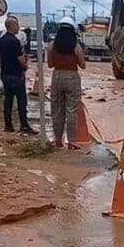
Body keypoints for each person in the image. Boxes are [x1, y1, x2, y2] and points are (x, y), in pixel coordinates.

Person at [48, 17, 87, 149]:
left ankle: (58, 140)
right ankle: (71, 141)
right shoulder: (76, 46)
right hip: (72, 77)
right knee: (72, 111)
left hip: (57, 76)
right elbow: (83, 65)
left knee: (57, 110)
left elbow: (49, 64)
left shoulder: (52, 46)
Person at [0, 16, 36, 134]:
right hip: (16, 74)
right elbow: (20, 59)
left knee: (8, 99)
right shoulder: (15, 42)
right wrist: (25, 66)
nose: (18, 27)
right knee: (21, 100)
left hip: (5, 73)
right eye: (17, 25)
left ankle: (8, 125)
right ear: (12, 26)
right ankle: (24, 125)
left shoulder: (1, 40)